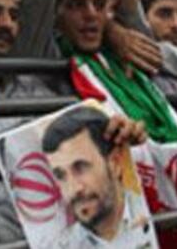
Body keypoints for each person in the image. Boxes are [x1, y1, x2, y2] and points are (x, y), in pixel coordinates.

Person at [42, 105, 151, 248]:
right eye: (61, 176)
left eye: (81, 168)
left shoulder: (155, 207)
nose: (74, 189)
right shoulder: (61, 245)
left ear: (115, 163)